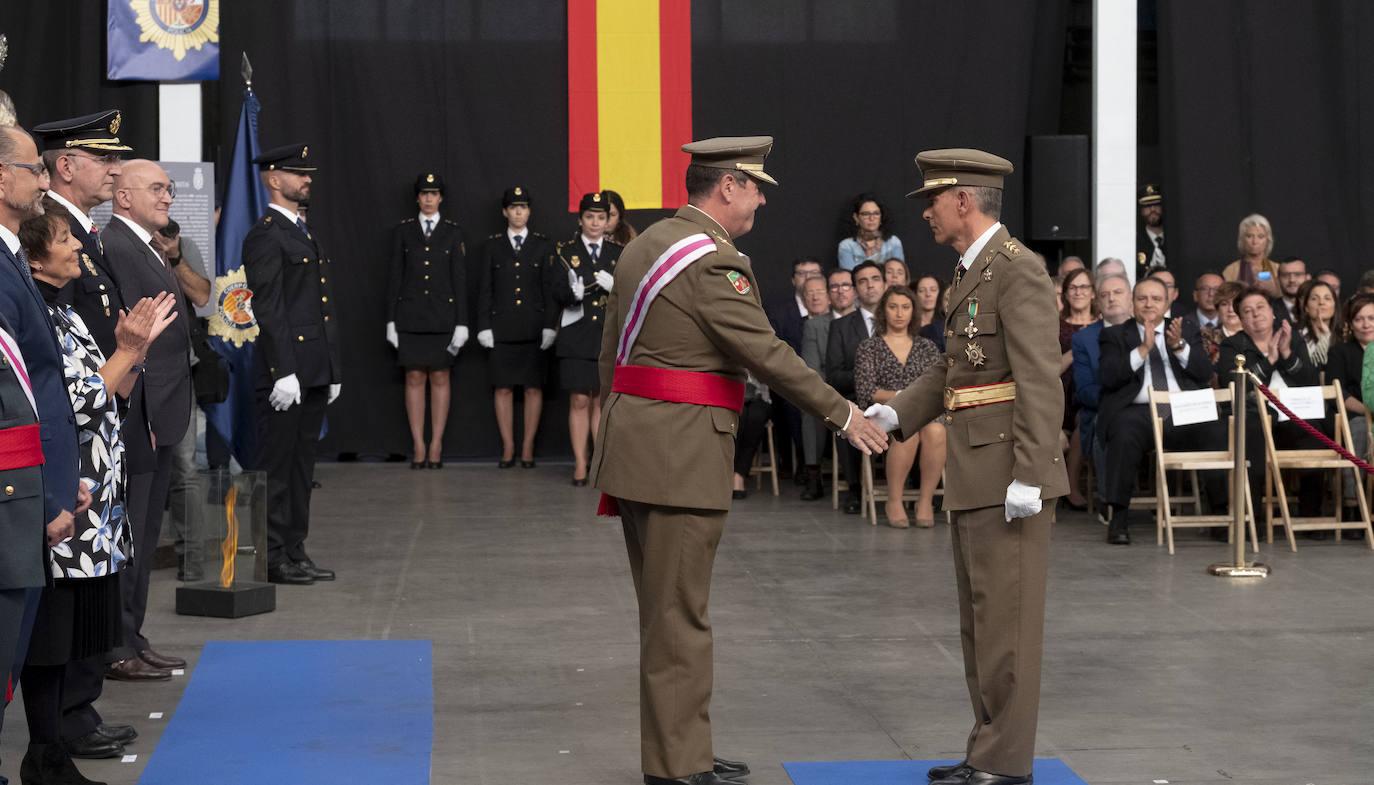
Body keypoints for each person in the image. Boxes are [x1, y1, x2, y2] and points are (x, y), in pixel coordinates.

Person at [590, 136, 887, 785]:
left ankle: (681, 747)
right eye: (756, 186)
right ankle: (677, 766)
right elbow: (769, 355)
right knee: (682, 617)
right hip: (683, 454)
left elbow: (610, 352)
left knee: (663, 611)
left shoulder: (643, 245)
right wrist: (844, 413)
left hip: (639, 446)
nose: (760, 199)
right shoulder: (713, 262)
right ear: (727, 186)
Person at [866, 148, 1067, 785]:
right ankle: (988, 748)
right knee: (981, 621)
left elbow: (1039, 379)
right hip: (978, 468)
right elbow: (956, 373)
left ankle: (1006, 764)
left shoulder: (1017, 270)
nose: (925, 212)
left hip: (1009, 468)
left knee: (1007, 625)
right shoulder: (970, 272)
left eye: (932, 200)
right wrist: (897, 415)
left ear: (963, 201)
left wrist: (1032, 472)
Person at [17, 210, 177, 782]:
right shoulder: (36, 317)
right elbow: (75, 403)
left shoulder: (66, 313)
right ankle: (47, 753)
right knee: (51, 639)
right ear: (35, 258)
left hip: (97, 499)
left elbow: (111, 395)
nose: (78, 252)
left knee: (79, 635)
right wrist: (126, 352)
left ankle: (57, 745)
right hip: (67, 495)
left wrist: (135, 351)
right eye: (65, 241)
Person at [30, 110, 151, 748]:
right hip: (70, 456)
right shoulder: (47, 238)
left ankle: (81, 710)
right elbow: (63, 381)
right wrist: (127, 356)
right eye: (103, 160)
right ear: (64, 165)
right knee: (67, 605)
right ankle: (66, 723)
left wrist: (128, 362)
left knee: (93, 594)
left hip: (100, 443)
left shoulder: (84, 239)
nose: (115, 169)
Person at [0, 126, 87, 783]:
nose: (43, 180)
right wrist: (45, 495)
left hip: (34, 488)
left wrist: (59, 484)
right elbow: (11, 398)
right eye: (34, 169)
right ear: (3, 179)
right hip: (15, 496)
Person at [100, 159, 193, 676]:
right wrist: (148, 410)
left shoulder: (144, 245)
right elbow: (129, 333)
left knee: (144, 529)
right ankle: (116, 644)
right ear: (125, 197)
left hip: (160, 410)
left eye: (169, 188)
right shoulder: (116, 246)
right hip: (142, 410)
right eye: (156, 189)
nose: (168, 197)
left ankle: (132, 635)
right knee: (130, 530)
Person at [242, 143, 341, 586]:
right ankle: (274, 555)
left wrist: (331, 369)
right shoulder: (266, 235)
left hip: (312, 370)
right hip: (286, 374)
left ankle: (296, 549)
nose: (307, 180)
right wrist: (283, 370)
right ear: (273, 178)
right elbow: (270, 306)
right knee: (278, 470)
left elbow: (322, 309)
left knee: (303, 469)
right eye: (298, 173)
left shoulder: (302, 231)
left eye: (309, 173)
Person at [1097, 277, 1224, 544]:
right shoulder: (1115, 334)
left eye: (1156, 299)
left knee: (1217, 430)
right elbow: (1108, 378)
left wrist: (1178, 347)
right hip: (1138, 410)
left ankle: (1221, 515)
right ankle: (1118, 517)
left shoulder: (1185, 329)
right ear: (1132, 302)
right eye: (1142, 298)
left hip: (1183, 409)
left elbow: (1204, 373)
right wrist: (1142, 349)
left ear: (1167, 303)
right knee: (1123, 431)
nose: (1148, 304)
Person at [1218, 288, 1323, 524]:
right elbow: (1234, 385)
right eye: (1248, 311)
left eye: (1260, 307)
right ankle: (1253, 519)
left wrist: (1286, 352)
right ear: (1242, 320)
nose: (1256, 314)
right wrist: (1270, 360)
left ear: (1273, 313)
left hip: (1294, 416)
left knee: (1314, 434)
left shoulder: (1293, 338)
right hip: (1256, 418)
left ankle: (1311, 517)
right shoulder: (1232, 346)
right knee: (1253, 433)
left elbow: (1309, 381)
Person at [385, 172, 467, 469]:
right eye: (424, 193)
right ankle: (418, 443)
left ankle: (436, 443)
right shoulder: (403, 231)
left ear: (441, 197)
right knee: (415, 377)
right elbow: (394, 277)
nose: (429, 199)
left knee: (441, 377)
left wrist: (462, 323)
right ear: (417, 197)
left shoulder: (453, 232)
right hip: (410, 316)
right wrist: (390, 321)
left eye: (434, 194)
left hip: (443, 316)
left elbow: (460, 279)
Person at [475, 187, 556, 468]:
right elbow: (485, 289)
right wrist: (483, 325)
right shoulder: (492, 246)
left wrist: (550, 326)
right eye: (513, 207)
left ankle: (527, 446)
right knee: (503, 388)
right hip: (502, 326)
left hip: (534, 327)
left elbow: (549, 288)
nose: (518, 212)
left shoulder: (543, 245)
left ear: (529, 211)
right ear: (505, 212)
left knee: (534, 388)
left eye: (523, 207)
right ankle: (508, 446)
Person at [854, 285, 943, 527]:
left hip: (925, 413)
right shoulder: (869, 347)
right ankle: (894, 500)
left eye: (905, 307)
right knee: (907, 432)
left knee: (937, 431)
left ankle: (925, 501)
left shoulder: (927, 347)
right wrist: (902, 397)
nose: (899, 313)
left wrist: (915, 403)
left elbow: (936, 388)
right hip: (883, 414)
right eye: (893, 307)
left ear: (913, 311)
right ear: (884, 311)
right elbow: (866, 391)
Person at [551, 192, 621, 485]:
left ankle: (600, 462)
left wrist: (617, 287)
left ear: (608, 221)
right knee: (579, 399)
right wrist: (571, 295)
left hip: (606, 335)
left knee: (602, 401)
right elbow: (554, 290)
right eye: (590, 217)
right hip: (576, 335)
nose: (595, 222)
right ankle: (581, 462)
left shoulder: (618, 254)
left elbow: (633, 294)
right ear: (580, 220)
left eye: (601, 217)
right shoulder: (564, 251)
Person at [825, 260, 885, 514]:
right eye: (862, 281)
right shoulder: (840, 326)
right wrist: (868, 378)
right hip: (857, 398)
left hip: (895, 399)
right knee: (847, 413)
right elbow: (835, 375)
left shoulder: (901, 319)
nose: (869, 286)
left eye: (874, 279)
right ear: (855, 289)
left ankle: (916, 484)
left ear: (885, 284)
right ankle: (854, 489)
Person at [1071, 272, 1133, 504]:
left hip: (1147, 410)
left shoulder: (1146, 331)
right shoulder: (1084, 339)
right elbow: (1085, 390)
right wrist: (1121, 401)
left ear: (1130, 298)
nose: (1111, 298)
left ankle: (1167, 501)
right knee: (1107, 423)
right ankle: (1113, 505)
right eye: (1104, 294)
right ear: (1097, 301)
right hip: (1103, 410)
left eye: (1118, 293)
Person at [1326, 293, 1374, 521]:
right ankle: (1352, 503)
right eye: (1359, 319)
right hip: (1355, 414)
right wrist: (1368, 411)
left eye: (1372, 318)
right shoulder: (1340, 352)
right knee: (1358, 429)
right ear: (1350, 323)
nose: (1366, 325)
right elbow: (1338, 392)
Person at [1058, 267, 1098, 510]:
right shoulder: (1055, 326)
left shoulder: (1103, 326)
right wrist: (1077, 350)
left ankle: (1071, 486)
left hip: (1089, 391)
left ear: (1093, 292)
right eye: (1073, 287)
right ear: (1065, 293)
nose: (1078, 292)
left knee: (1087, 418)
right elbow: (1049, 368)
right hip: (1060, 393)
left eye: (1084, 287)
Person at [798, 275, 834, 500]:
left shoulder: (849, 319)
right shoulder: (808, 325)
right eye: (809, 293)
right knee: (809, 408)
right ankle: (813, 474)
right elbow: (812, 370)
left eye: (820, 291)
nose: (814, 296)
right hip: (818, 388)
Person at [837, 193, 903, 270]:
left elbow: (899, 275)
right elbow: (848, 278)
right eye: (866, 214)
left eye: (876, 213)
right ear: (856, 217)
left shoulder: (893, 242)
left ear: (881, 217)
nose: (871, 218)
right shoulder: (847, 246)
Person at [1222, 213, 1280, 297]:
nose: (1255, 241)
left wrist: (1274, 291)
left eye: (1260, 236)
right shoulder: (1230, 271)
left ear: (1268, 240)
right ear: (1242, 239)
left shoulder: (1277, 269)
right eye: (1249, 236)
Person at [1293, 278, 1340, 369]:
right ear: (1306, 307)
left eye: (1327, 298)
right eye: (1314, 299)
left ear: (1335, 305)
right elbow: (1318, 365)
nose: (1321, 303)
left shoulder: (1344, 334)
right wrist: (1325, 336)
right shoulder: (1297, 336)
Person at [1136, 183, 1165, 277]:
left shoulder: (1176, 239)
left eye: (1156, 204)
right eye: (1147, 205)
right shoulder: (1135, 243)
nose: (1153, 209)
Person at [1272, 257, 1309, 323]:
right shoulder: (1269, 309)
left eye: (1297, 275)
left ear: (1307, 278)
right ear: (1278, 280)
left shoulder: (1318, 307)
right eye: (1285, 275)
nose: (1292, 280)